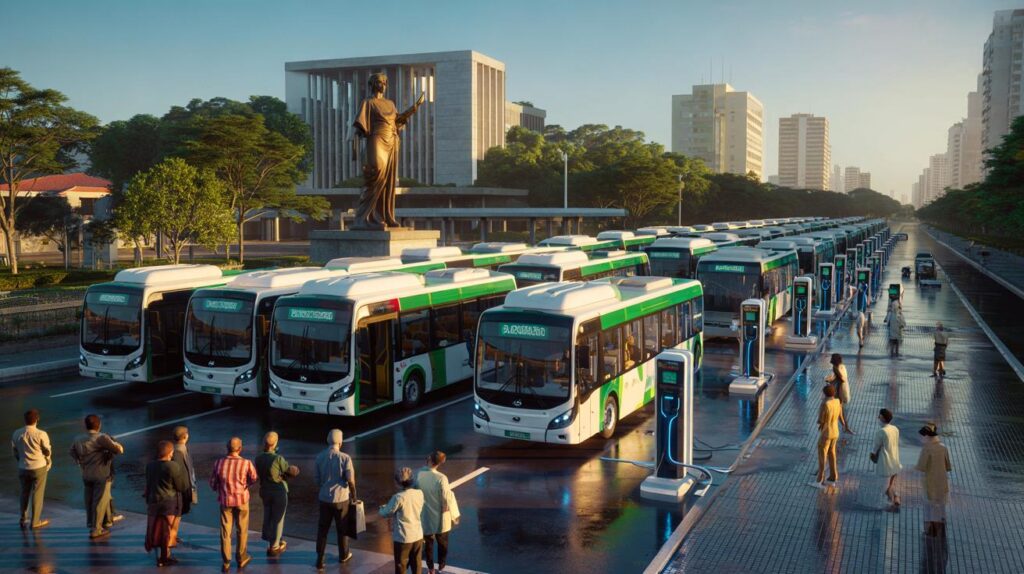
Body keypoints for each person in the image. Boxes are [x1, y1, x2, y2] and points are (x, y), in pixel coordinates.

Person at [69, 414, 125, 539]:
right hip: (101, 475)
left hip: (86, 474)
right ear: (99, 425)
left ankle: (93, 523)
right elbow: (119, 450)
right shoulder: (101, 437)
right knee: (99, 502)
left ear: (86, 425)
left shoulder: (78, 438)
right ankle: (96, 529)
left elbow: (72, 452)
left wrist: (80, 461)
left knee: (89, 500)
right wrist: (115, 443)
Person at [210, 437, 257, 572]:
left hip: (225, 501)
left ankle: (226, 561)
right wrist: (245, 486)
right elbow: (254, 478)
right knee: (242, 530)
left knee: (225, 531)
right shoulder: (246, 463)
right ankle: (241, 558)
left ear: (227, 448)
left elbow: (212, 484)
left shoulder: (219, 463)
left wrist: (221, 489)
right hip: (242, 500)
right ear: (240, 449)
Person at [144, 440, 191, 566]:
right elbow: (181, 486)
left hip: (153, 501)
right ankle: (165, 557)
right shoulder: (172, 466)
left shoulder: (150, 465)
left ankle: (159, 556)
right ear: (170, 453)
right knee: (167, 531)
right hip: (169, 503)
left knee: (154, 529)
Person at [315, 429, 356, 570]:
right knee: (342, 529)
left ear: (328, 440)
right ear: (340, 442)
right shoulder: (345, 458)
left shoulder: (319, 457)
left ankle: (320, 559)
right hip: (341, 500)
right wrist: (354, 496)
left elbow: (317, 480)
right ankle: (343, 555)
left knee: (323, 530)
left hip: (324, 499)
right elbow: (350, 480)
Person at [416, 451, 461, 574]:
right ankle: (441, 565)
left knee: (428, 544)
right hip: (441, 516)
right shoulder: (441, 478)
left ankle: (430, 568)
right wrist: (454, 514)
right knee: (443, 543)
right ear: (440, 463)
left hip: (426, 516)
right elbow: (447, 497)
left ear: (429, 459)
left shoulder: (418, 474)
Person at [255, 431, 299, 557]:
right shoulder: (278, 458)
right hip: (278, 491)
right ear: (275, 444)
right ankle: (274, 547)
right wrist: (295, 470)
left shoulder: (258, 458)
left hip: (264, 490)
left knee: (268, 515)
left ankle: (270, 539)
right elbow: (289, 471)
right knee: (278, 518)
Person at [380, 467, 426, 574]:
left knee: (401, 565)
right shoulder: (419, 493)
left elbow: (385, 513)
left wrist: (382, 508)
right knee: (417, 563)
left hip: (403, 538)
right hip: (417, 535)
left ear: (398, 483)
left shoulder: (398, 497)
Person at [12, 408, 51, 529]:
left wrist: (21, 461)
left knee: (24, 493)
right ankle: (35, 522)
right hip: (38, 467)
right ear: (37, 419)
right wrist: (48, 461)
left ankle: (23, 519)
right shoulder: (41, 434)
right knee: (37, 494)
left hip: (23, 467)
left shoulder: (16, 433)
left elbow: (15, 451)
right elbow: (47, 451)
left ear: (25, 420)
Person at [916, 422, 952, 537]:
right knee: (941, 504)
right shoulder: (943, 447)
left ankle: (931, 530)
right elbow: (948, 466)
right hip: (942, 481)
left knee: (930, 506)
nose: (921, 438)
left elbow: (921, 467)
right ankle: (941, 524)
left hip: (930, 482)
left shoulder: (927, 449)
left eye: (922, 436)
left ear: (927, 436)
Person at [809, 384, 841, 490]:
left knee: (822, 456)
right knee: (832, 454)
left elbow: (820, 420)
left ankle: (819, 480)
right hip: (835, 432)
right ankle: (833, 477)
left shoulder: (824, 404)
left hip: (826, 433)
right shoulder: (837, 401)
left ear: (824, 393)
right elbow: (840, 415)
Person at [170, 425, 196, 547]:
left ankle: (172, 535)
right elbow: (179, 474)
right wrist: (185, 489)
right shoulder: (178, 452)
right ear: (185, 436)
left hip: (182, 488)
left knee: (178, 513)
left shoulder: (180, 449)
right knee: (177, 514)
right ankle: (171, 537)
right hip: (180, 490)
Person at [871, 409, 902, 511]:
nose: (878, 418)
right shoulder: (895, 429)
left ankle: (895, 498)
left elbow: (875, 449)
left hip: (885, 464)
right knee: (889, 485)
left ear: (883, 418)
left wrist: (872, 457)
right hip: (895, 462)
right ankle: (895, 498)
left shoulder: (881, 432)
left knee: (884, 487)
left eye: (879, 416)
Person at [824, 354, 854, 434]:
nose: (830, 359)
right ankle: (845, 426)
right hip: (845, 387)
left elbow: (841, 378)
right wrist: (832, 379)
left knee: (839, 409)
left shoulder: (835, 367)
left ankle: (845, 426)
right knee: (840, 408)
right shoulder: (842, 366)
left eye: (832, 358)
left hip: (840, 389)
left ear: (834, 360)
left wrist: (829, 381)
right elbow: (839, 377)